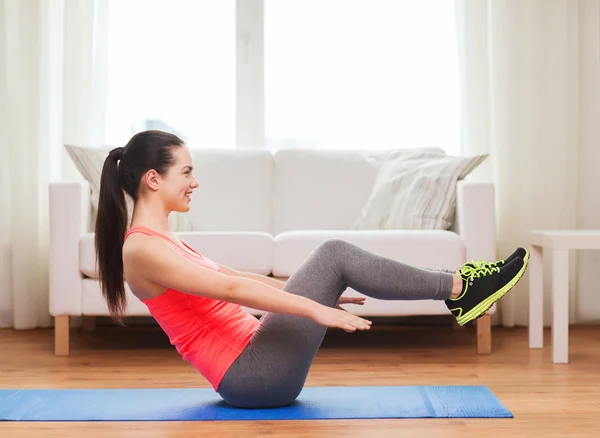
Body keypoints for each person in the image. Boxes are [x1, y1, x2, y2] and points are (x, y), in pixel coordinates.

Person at [95, 130, 529, 409]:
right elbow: (226, 287)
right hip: (252, 376)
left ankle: (459, 289)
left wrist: (311, 293)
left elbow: (241, 276)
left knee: (331, 258)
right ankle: (460, 289)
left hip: (256, 358)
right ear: (154, 179)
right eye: (186, 172)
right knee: (333, 252)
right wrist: (314, 310)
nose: (195, 182)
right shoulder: (140, 250)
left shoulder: (163, 239)